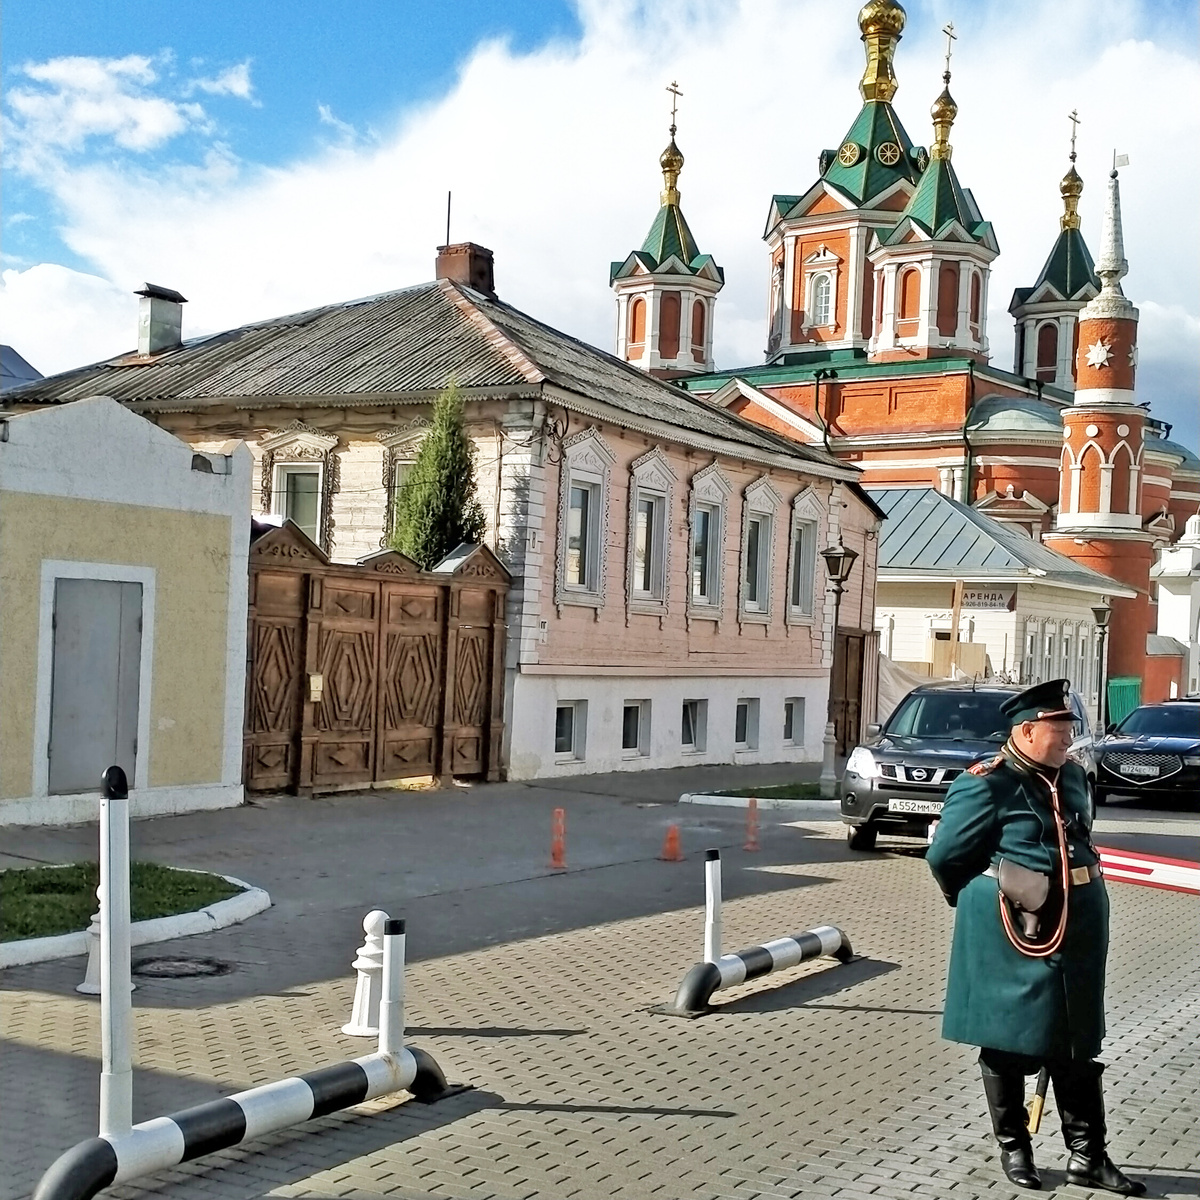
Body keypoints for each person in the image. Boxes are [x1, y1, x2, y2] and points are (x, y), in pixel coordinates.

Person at [926, 679, 1144, 1195]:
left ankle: (1088, 1157)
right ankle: (1015, 1148)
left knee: (1075, 1042)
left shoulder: (1070, 776)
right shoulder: (987, 783)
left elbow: (1079, 837)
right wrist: (989, 899)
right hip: (1014, 928)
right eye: (1060, 730)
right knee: (1007, 1041)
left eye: (1070, 729)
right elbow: (946, 857)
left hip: (1080, 924)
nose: (1069, 740)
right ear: (1026, 732)